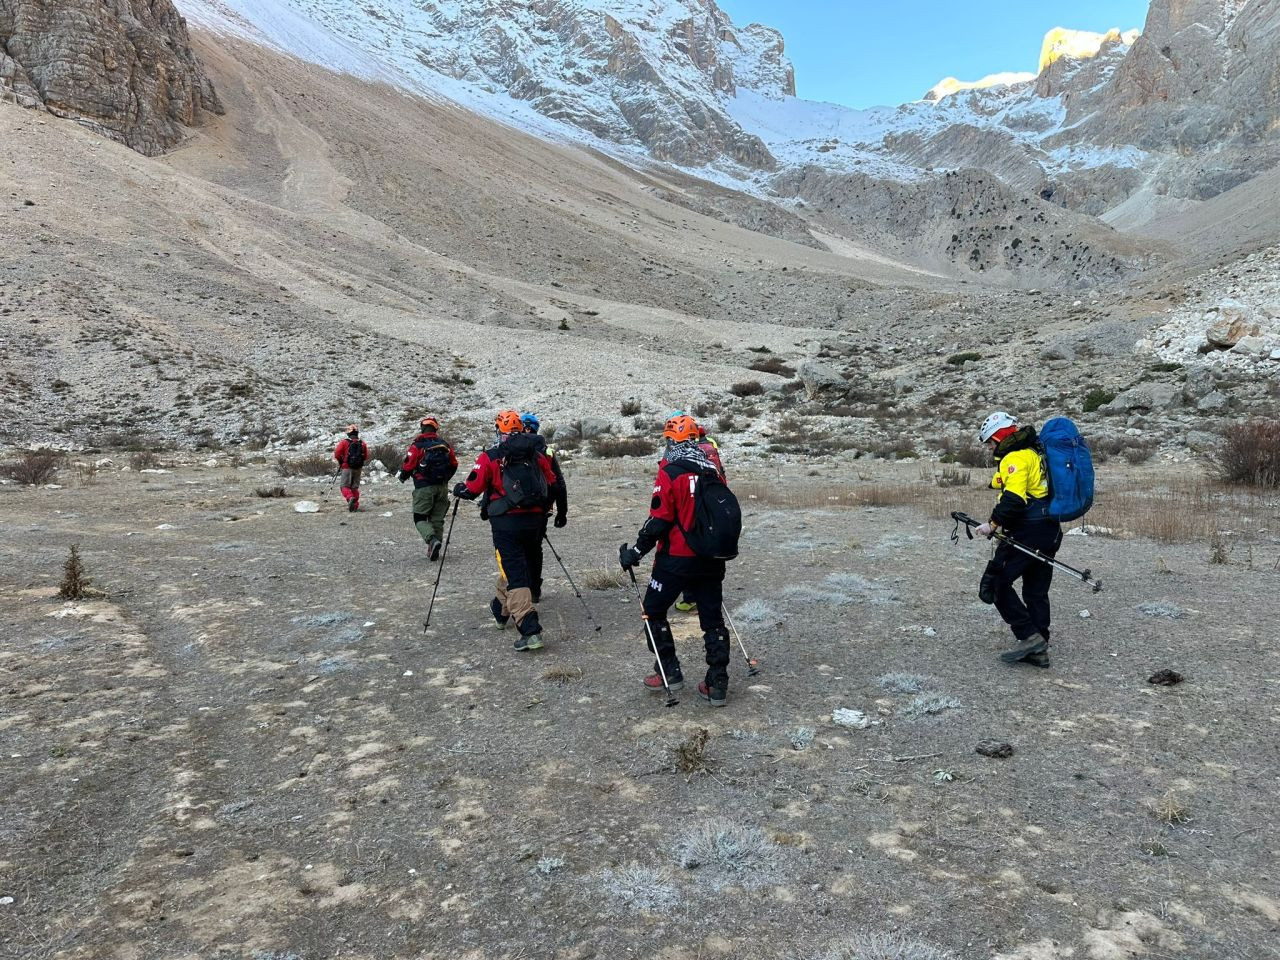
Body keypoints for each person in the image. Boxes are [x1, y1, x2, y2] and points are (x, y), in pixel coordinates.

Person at [619, 414, 733, 706]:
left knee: (653, 611)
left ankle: (669, 671)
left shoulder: (670, 472)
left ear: (671, 441)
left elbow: (659, 519)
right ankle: (717, 682)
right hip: (710, 557)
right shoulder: (713, 470)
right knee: (712, 620)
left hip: (676, 559)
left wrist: (635, 552)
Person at [454, 410, 562, 652]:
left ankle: (530, 629)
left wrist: (460, 489)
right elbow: (553, 484)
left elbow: (472, 488)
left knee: (515, 573)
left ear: (498, 430)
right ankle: (500, 610)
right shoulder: (537, 454)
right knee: (515, 567)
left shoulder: (490, 457)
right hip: (535, 521)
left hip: (506, 524)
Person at [973, 411, 1063, 669]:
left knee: (996, 584)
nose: (990, 447)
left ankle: (1029, 636)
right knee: (1036, 589)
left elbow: (1014, 499)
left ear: (1000, 436)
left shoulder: (1015, 456)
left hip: (1027, 531)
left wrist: (991, 525)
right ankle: (1039, 648)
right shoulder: (1034, 452)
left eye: (990, 441)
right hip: (1050, 529)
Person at [673, 424, 725, 613]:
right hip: (713, 499)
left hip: (692, 501)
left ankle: (690, 598)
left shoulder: (689, 450)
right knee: (708, 548)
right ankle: (709, 596)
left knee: (689, 545)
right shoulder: (711, 445)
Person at [520, 412, 568, 603]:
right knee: (534, 549)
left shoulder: (508, 448)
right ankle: (534, 589)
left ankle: (516, 589)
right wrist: (562, 513)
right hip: (541, 509)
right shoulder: (546, 451)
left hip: (512, 509)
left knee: (514, 549)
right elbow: (559, 484)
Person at [397, 416, 458, 560]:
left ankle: (432, 540)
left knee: (419, 517)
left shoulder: (417, 445)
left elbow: (408, 465)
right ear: (436, 429)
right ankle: (434, 548)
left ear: (422, 428)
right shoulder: (445, 445)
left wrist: (403, 476)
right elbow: (454, 464)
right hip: (442, 487)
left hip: (423, 487)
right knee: (437, 519)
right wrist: (445, 479)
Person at [333, 424, 369, 512]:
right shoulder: (362, 443)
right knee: (354, 488)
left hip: (347, 467)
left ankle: (350, 498)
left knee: (344, 486)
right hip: (358, 468)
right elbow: (366, 456)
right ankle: (355, 506)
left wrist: (341, 461)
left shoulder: (344, 442)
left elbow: (337, 453)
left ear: (348, 433)